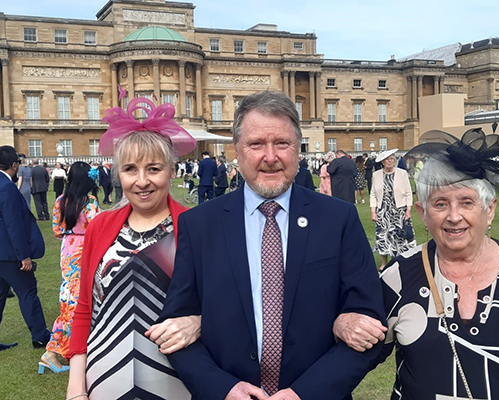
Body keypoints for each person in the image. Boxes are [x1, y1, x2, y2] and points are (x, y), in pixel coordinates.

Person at [159, 91, 385, 400]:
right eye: (256, 144)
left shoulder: (337, 219)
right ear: (237, 150)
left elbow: (369, 325)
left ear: (297, 149)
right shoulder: (200, 225)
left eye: (282, 143)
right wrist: (222, 388)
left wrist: (304, 393)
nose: (270, 156)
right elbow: (175, 328)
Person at [335, 128, 499, 399]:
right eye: (440, 204)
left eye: (467, 202)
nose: (454, 216)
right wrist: (342, 324)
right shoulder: (399, 275)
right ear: (423, 213)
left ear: (490, 210)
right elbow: (357, 355)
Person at [66, 98, 198, 400]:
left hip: (177, 381)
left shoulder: (195, 225)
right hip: (103, 380)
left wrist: (198, 323)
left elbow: (223, 307)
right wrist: (76, 389)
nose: (142, 181)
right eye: (130, 169)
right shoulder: (100, 226)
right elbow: (85, 309)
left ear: (172, 171)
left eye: (153, 168)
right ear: (118, 174)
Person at [40, 162, 99, 374]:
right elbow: (97, 228)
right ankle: (61, 349)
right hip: (84, 251)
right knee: (80, 299)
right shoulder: (89, 202)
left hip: (67, 250)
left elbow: (57, 230)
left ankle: (58, 348)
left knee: (70, 297)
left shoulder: (60, 200)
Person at [0, 146, 50, 352]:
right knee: (28, 292)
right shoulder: (6, 187)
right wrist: (24, 256)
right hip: (10, 254)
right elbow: (14, 225)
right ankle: (39, 335)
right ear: (14, 165)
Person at [370, 149, 415, 270]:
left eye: (392, 159)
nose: (390, 161)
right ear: (383, 162)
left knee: (399, 237)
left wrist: (408, 210)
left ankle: (399, 261)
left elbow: (408, 192)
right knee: (383, 236)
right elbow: (373, 194)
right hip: (383, 210)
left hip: (399, 209)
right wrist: (373, 212)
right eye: (387, 159)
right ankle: (384, 263)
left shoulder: (402, 173)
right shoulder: (376, 175)